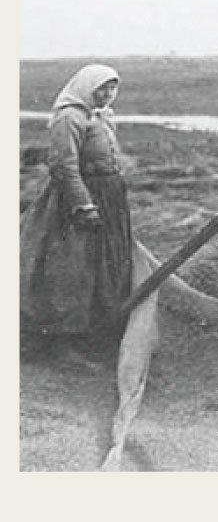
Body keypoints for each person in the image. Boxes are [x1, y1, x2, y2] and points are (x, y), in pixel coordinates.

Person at [20, 64, 133, 363]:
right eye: (101, 89)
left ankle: (95, 332)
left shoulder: (101, 117)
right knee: (72, 267)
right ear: (86, 87)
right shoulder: (70, 117)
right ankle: (63, 342)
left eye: (112, 88)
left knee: (106, 264)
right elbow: (64, 167)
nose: (107, 94)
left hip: (108, 199)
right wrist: (84, 205)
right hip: (77, 203)